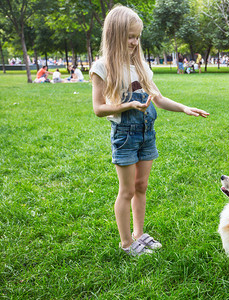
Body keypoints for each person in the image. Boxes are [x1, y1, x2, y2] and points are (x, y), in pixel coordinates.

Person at [90, 5, 209, 257]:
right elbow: (99, 109)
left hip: (147, 133)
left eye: (137, 37)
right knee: (127, 190)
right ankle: (126, 244)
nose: (134, 41)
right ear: (115, 34)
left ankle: (139, 234)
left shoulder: (141, 66)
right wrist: (128, 104)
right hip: (125, 135)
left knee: (141, 186)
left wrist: (184, 107)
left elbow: (159, 98)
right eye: (130, 36)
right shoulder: (102, 67)